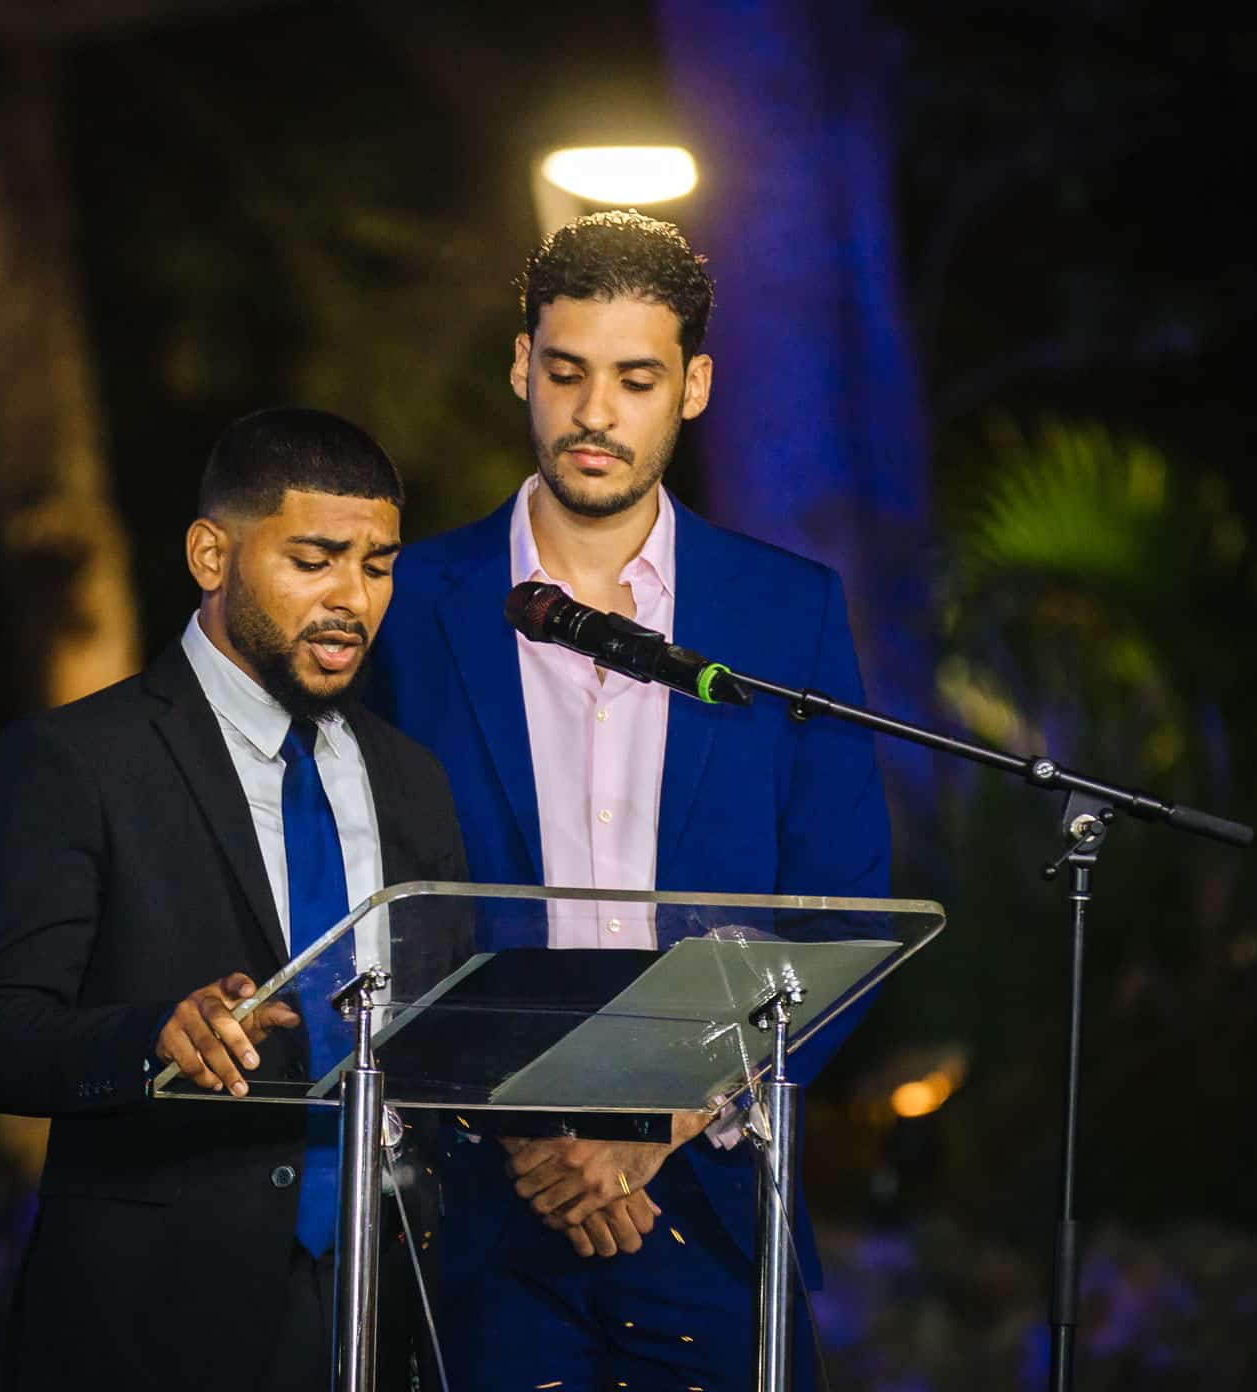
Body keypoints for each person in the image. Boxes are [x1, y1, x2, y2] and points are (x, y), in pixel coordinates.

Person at [369, 211, 891, 1389]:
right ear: (521, 366)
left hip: (710, 1199)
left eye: (636, 379)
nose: (595, 414)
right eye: (566, 372)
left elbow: (844, 909)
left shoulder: (781, 611)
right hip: (472, 1212)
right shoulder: (415, 603)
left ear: (694, 388)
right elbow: (374, 899)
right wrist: (525, 1137)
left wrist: (658, 1123)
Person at [0, 408, 467, 1390]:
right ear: (211, 553)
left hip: (385, 1310)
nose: (352, 597)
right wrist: (151, 1039)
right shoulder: (80, 761)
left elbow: (436, 1039)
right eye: (315, 559)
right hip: (152, 1326)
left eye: (379, 564)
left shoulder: (413, 782)